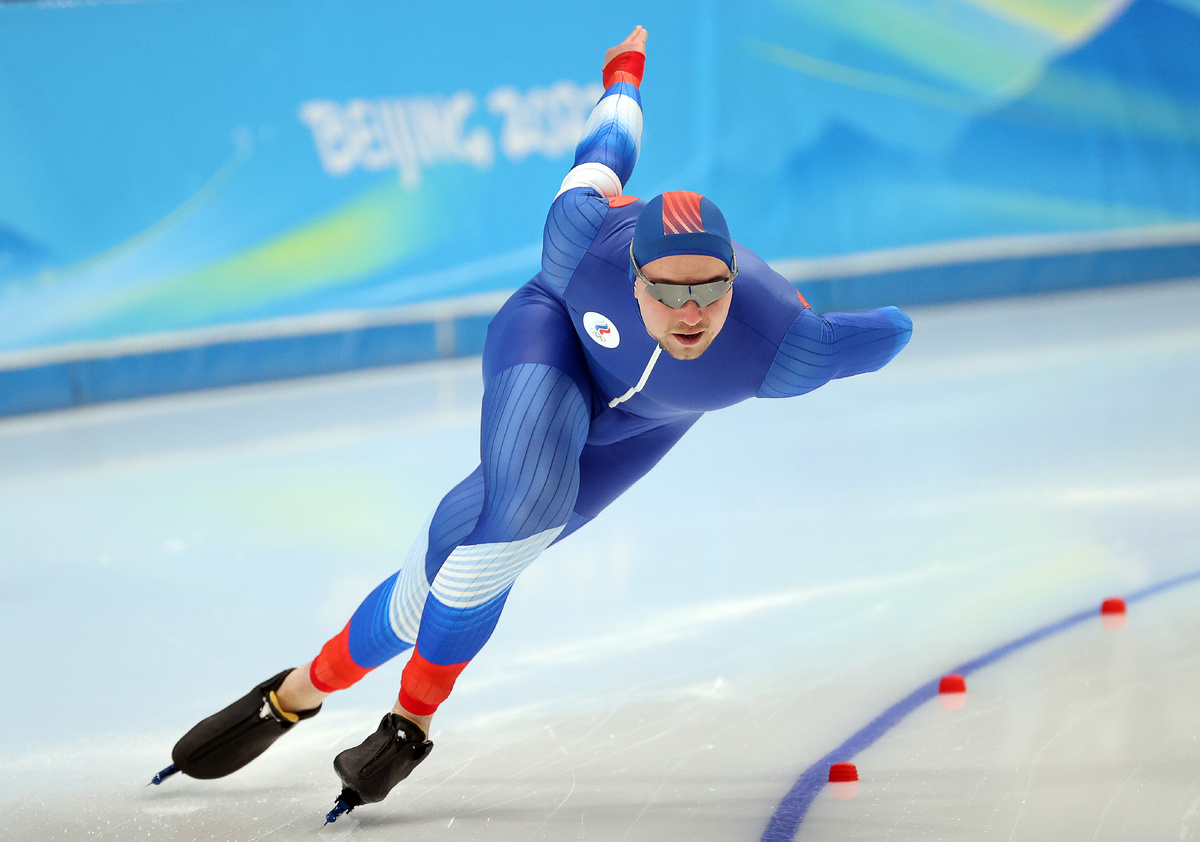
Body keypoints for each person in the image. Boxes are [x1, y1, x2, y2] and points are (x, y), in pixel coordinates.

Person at [151, 25, 912, 820]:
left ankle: (295, 694)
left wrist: (897, 324)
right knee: (525, 512)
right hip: (550, 340)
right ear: (631, 273)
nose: (691, 315)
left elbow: (883, 334)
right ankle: (407, 727)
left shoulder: (782, 349)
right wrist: (624, 71)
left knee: (434, 585)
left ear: (732, 279)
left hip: (644, 426)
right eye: (669, 292)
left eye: (710, 292)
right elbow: (605, 144)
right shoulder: (581, 236)